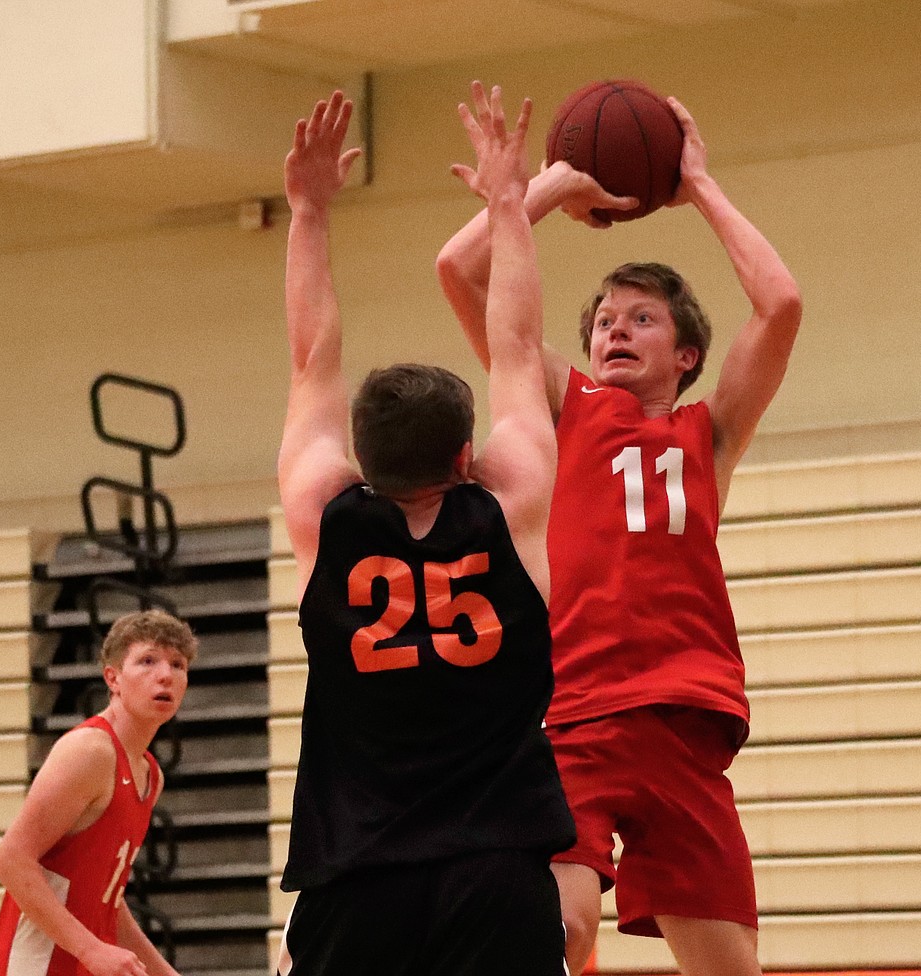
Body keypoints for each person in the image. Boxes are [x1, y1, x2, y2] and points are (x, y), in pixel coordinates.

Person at [436, 94, 802, 976]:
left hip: (687, 723)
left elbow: (781, 302)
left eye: (641, 318)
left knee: (730, 969)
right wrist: (553, 186)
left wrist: (699, 187)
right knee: (555, 940)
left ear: (686, 356)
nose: (614, 329)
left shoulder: (706, 434)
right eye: (603, 318)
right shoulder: (564, 407)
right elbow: (460, 268)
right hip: (576, 715)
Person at [276, 85, 575, 976]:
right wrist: (507, 204)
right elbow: (518, 347)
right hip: (495, 864)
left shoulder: (322, 512)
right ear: (465, 454)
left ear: (359, 456)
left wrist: (308, 212)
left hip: (356, 874)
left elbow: (311, 355)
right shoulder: (510, 498)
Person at [0, 609, 197, 976]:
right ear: (112, 678)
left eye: (177, 665)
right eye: (147, 661)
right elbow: (10, 860)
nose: (165, 675)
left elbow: (108, 900)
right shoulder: (91, 751)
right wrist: (92, 949)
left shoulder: (150, 774)